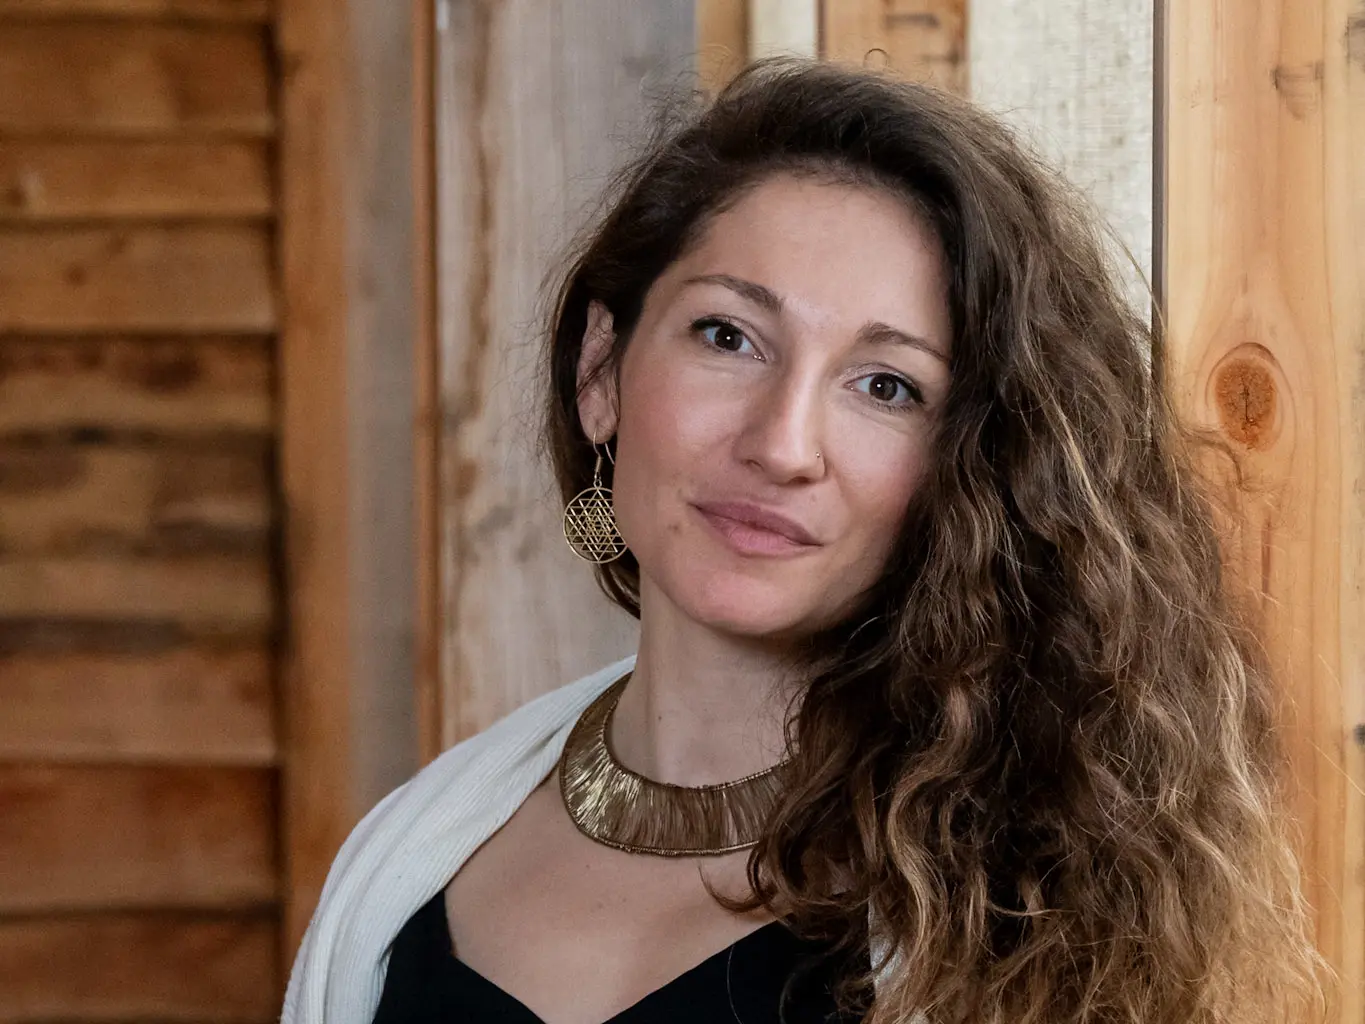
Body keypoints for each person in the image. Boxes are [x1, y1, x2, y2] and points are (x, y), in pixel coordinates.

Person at [283, 59, 1322, 1024]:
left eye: (886, 386)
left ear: (972, 464)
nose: (782, 445)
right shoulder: (410, 856)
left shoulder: (1031, 917)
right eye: (728, 336)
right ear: (603, 370)